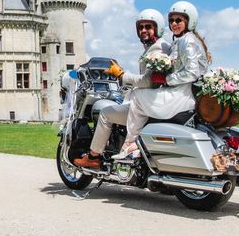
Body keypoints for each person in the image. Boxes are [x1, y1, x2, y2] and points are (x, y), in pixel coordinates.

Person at [111, 1, 211, 160]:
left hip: (181, 95)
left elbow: (192, 72)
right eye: (171, 20)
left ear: (189, 21)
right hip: (183, 93)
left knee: (137, 96)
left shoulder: (187, 41)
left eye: (179, 20)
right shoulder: (183, 40)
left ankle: (130, 142)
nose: (174, 24)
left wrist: (167, 78)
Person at [73, 9, 171, 168]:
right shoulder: (160, 45)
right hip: (154, 103)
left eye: (148, 26)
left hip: (148, 106)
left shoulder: (157, 48)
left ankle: (93, 157)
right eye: (141, 27)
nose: (143, 30)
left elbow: (149, 81)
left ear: (158, 28)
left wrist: (122, 75)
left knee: (105, 114)